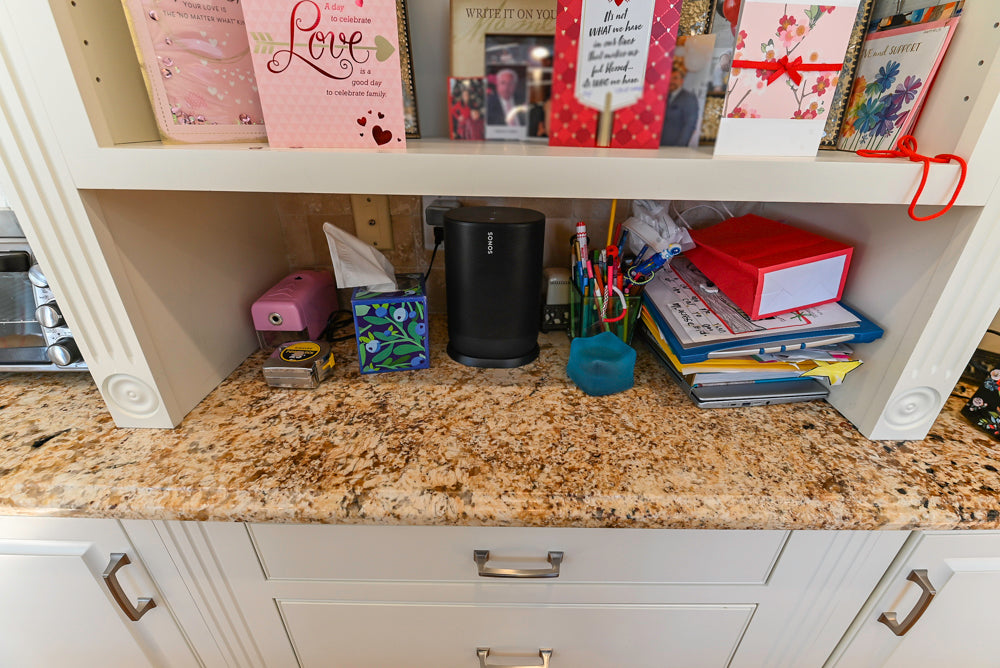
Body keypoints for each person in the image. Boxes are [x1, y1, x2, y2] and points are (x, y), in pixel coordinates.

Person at [660, 58, 700, 147]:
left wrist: (679, 148)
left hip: (675, 148)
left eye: (675, 78)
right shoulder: (661, 96)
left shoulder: (689, 98)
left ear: (682, 81)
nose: (671, 81)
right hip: (658, 146)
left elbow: (689, 126)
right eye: (669, 78)